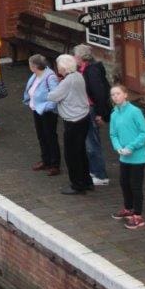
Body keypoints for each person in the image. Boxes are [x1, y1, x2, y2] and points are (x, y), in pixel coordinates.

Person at [48, 54, 94, 195]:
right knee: (81, 152)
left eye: (58, 66)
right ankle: (86, 181)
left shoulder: (67, 81)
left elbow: (53, 96)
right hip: (84, 117)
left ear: (62, 67)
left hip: (73, 121)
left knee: (71, 154)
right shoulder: (78, 76)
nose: (57, 68)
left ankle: (77, 185)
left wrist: (56, 86)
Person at [109, 84, 145, 229]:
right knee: (124, 182)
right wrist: (118, 147)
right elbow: (113, 134)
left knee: (136, 185)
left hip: (137, 156)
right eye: (113, 95)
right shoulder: (114, 114)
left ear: (125, 95)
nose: (115, 97)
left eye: (118, 93)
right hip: (124, 156)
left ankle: (138, 215)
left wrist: (131, 147)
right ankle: (128, 208)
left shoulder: (135, 112)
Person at [75, 44, 111, 187]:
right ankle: (94, 170)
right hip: (87, 108)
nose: (74, 58)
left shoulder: (92, 71)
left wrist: (101, 114)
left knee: (92, 143)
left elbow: (100, 94)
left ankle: (100, 174)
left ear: (81, 57)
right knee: (89, 141)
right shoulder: (85, 69)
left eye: (76, 55)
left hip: (92, 110)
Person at [23, 54, 60, 176]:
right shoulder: (35, 76)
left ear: (34, 66)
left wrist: (45, 107)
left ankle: (55, 164)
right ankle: (46, 160)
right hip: (37, 110)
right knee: (41, 136)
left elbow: (55, 96)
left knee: (50, 136)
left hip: (47, 112)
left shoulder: (50, 77)